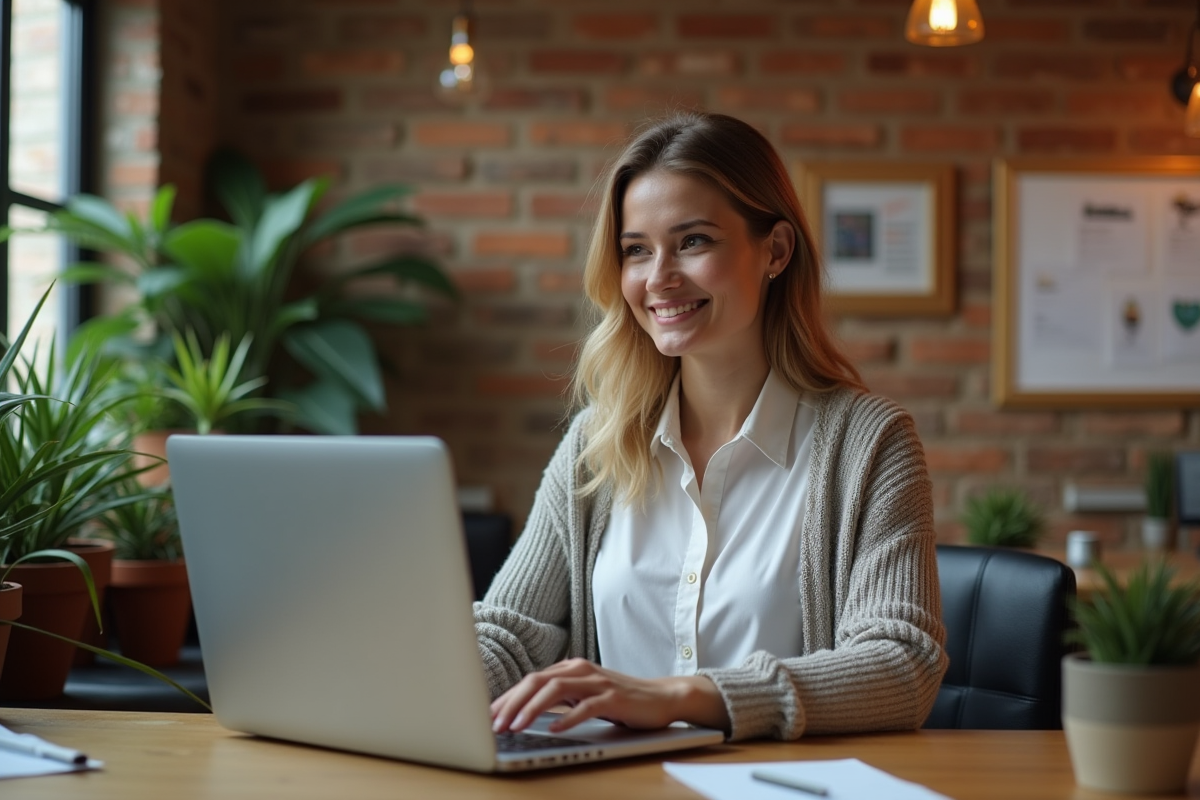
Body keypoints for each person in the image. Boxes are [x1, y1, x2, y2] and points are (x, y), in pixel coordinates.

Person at [475, 112, 947, 743]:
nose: (658, 278)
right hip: (615, 785)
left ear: (775, 250)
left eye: (693, 241)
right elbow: (508, 635)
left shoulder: (870, 444)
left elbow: (902, 664)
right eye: (636, 250)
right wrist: (409, 673)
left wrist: (681, 697)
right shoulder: (596, 443)